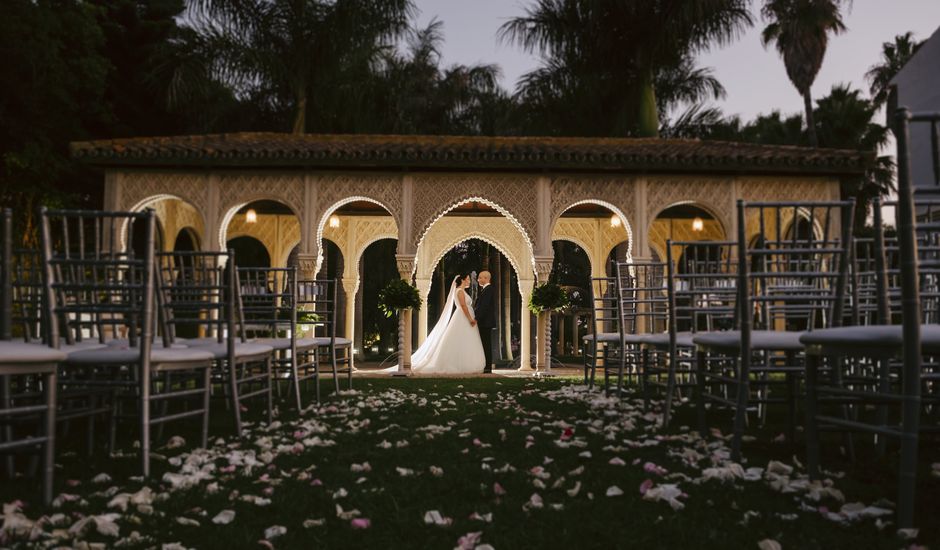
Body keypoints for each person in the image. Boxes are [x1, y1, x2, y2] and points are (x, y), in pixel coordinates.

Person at [409, 273, 485, 374]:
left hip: (463, 316)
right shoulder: (460, 291)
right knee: (462, 339)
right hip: (463, 317)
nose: (469, 281)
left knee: (465, 340)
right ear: (462, 280)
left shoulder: (461, 291)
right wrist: (470, 319)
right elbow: (463, 306)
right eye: (467, 279)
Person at [475, 270, 497, 373]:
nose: (478, 279)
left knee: (486, 344)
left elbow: (484, 307)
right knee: (485, 343)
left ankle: (488, 367)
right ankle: (486, 366)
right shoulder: (486, 290)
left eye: (480, 277)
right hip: (484, 322)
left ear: (486, 278)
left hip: (485, 322)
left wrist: (476, 318)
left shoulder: (489, 289)